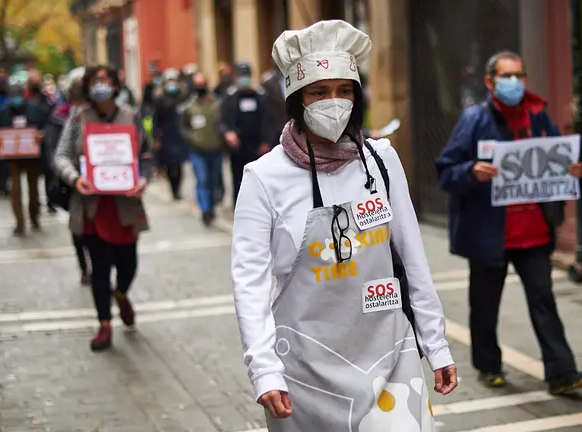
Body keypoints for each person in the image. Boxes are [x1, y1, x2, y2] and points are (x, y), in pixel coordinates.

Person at [231, 21, 457, 430]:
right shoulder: (263, 177)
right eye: (319, 91)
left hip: (389, 350)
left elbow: (412, 257)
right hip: (304, 366)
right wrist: (264, 369)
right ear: (297, 100)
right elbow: (249, 282)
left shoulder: (381, 161)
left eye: (345, 90)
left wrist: (435, 345)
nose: (334, 102)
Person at [435, 50, 582, 395]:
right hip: (490, 236)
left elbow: (556, 158)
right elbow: (446, 171)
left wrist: (569, 170)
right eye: (507, 77)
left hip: (534, 234)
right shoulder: (474, 120)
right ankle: (489, 367)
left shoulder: (538, 117)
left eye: (519, 76)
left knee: (544, 302)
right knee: (485, 306)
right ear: (490, 82)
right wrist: (471, 171)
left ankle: (562, 373)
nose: (514, 83)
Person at [54, 65, 152, 351]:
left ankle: (120, 294)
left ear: (115, 85)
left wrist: (143, 179)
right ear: (87, 87)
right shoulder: (77, 119)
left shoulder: (131, 116)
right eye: (95, 81)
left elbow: (146, 154)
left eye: (106, 80)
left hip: (125, 206)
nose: (101, 85)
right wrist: (75, 179)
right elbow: (61, 157)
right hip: (91, 207)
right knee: (98, 268)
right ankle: (104, 325)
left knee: (128, 264)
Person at [44, 67, 91, 285]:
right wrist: (67, 174)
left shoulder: (102, 113)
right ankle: (84, 266)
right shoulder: (63, 115)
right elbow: (57, 150)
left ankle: (98, 266)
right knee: (79, 228)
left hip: (99, 181)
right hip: (74, 181)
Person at [0, 82, 49, 236]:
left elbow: (45, 126)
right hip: (13, 157)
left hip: (32, 156)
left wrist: (41, 135)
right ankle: (19, 222)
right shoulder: (4, 111)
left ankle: (34, 217)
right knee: (15, 188)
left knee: (33, 188)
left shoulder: (35, 109)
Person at [218, 62, 272, 207]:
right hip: (238, 147)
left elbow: (268, 120)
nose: (244, 79)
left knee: (258, 180)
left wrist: (266, 141)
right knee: (238, 180)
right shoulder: (230, 96)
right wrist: (228, 134)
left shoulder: (260, 95)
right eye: (241, 75)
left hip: (257, 147)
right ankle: (239, 207)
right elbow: (222, 120)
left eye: (246, 75)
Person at [179, 72, 223, 226]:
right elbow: (183, 127)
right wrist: (191, 138)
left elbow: (222, 123)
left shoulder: (217, 104)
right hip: (197, 150)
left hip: (216, 149)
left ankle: (212, 205)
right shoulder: (189, 106)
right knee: (202, 179)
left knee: (214, 180)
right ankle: (205, 209)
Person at [153, 68, 189, 200]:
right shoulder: (160, 99)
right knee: (169, 163)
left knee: (179, 164)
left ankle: (178, 189)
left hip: (180, 134)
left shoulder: (183, 97)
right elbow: (156, 119)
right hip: (167, 135)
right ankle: (173, 188)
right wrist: (156, 137)